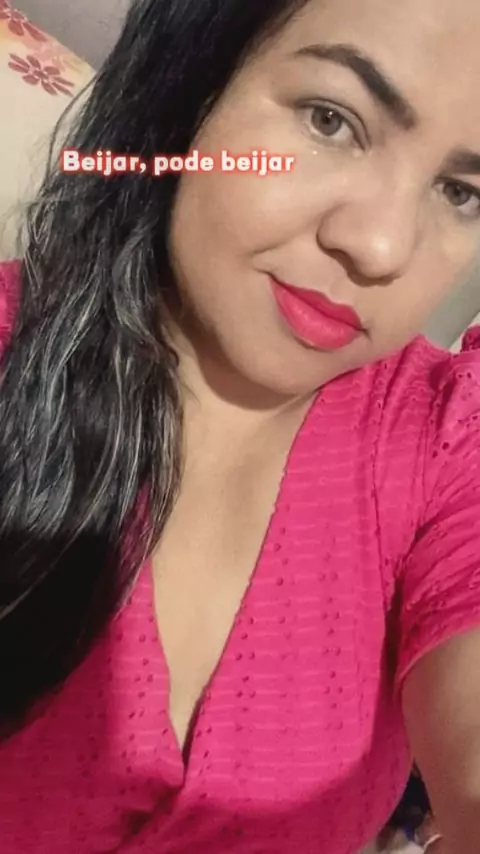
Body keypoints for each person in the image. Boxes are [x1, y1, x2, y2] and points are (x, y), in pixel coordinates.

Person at [0, 0, 480, 851]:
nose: (380, 246)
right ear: (190, 86)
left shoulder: (445, 435)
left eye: (461, 191)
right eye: (330, 119)